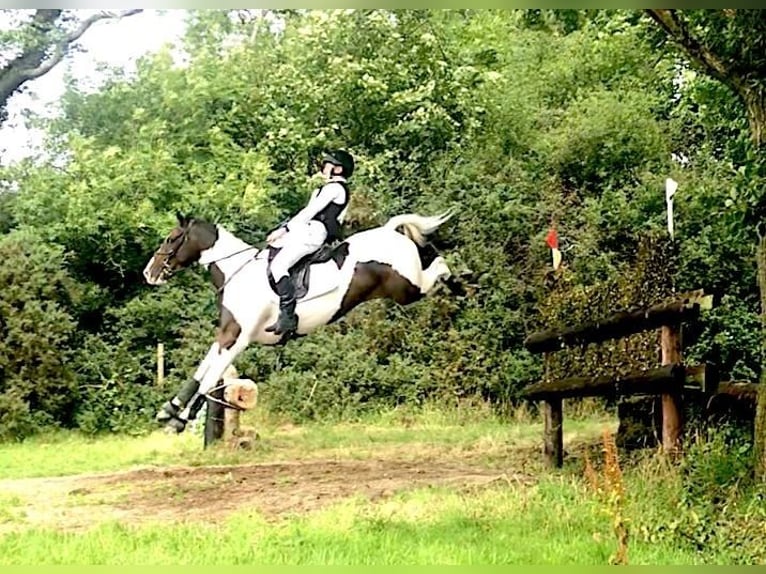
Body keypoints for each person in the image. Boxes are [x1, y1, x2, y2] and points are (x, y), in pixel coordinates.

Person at [264, 148, 355, 337]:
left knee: (279, 265)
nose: (323, 166)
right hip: (305, 230)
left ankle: (288, 316)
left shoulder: (335, 188)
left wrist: (284, 229)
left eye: (327, 164)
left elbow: (310, 211)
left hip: (313, 233)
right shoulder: (324, 188)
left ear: (338, 170)